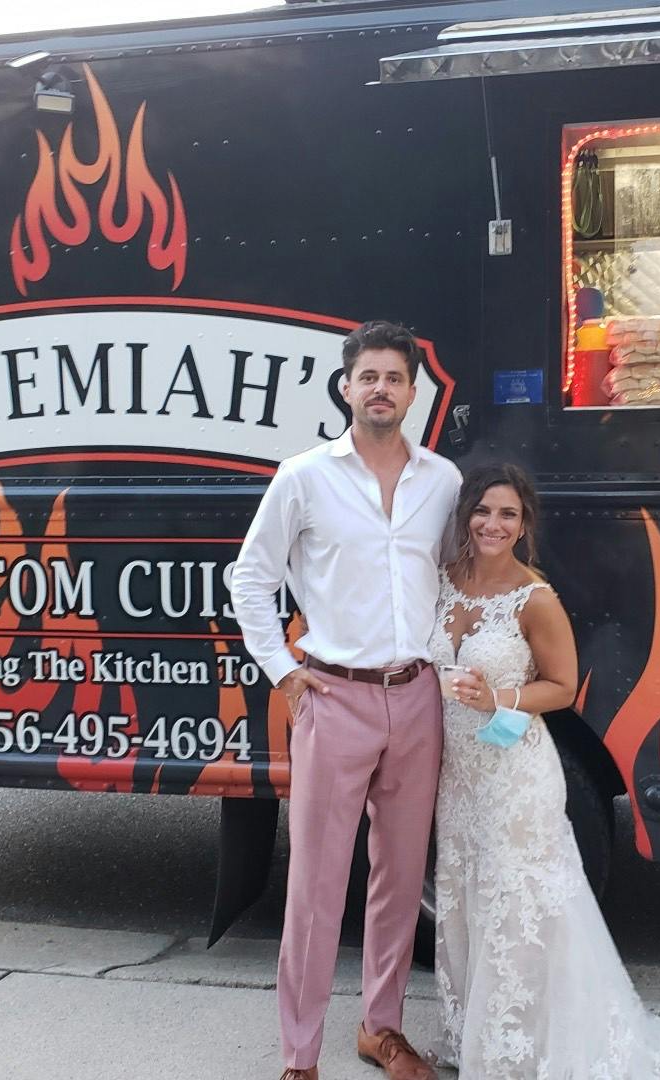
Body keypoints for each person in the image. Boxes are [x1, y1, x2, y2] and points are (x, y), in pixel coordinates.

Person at [231, 320, 461, 1080]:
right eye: (369, 376)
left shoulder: (444, 481)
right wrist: (283, 671)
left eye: (396, 378)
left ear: (413, 391)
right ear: (345, 386)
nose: (382, 390)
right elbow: (251, 579)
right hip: (333, 697)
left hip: (416, 696)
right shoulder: (303, 476)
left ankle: (381, 1029)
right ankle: (300, 1056)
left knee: (399, 875)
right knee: (317, 883)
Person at [429, 463, 660, 1079]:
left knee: (519, 904)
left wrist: (500, 700)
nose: (493, 524)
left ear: (524, 526)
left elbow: (565, 687)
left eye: (508, 514)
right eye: (483, 511)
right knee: (464, 899)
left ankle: (522, 1046)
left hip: (516, 773)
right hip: (459, 773)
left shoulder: (534, 597)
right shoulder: (445, 581)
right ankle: (474, 1033)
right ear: (466, 515)